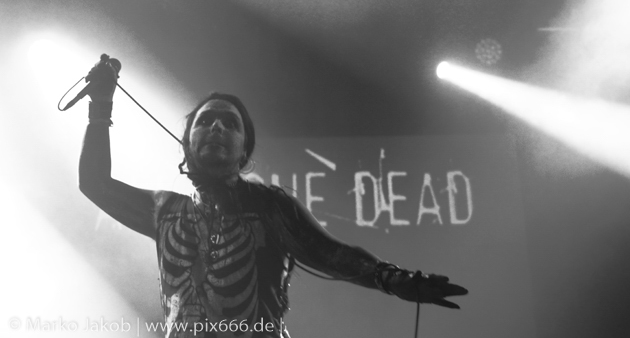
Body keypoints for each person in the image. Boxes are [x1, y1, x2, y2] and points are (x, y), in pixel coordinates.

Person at [78, 58, 467, 338]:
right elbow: (94, 182)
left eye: (230, 123)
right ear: (187, 143)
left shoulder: (269, 206)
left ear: (243, 153)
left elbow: (331, 254)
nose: (216, 126)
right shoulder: (164, 210)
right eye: (206, 120)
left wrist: (392, 278)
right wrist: (100, 107)